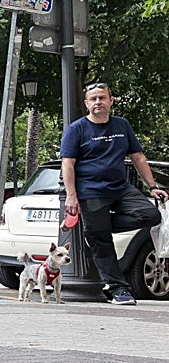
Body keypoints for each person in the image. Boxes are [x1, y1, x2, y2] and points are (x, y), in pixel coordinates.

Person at [61, 82, 168, 305]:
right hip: (91, 192)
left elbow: (137, 157)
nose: (98, 102)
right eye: (94, 99)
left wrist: (152, 186)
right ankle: (119, 289)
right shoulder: (77, 129)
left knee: (150, 215)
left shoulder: (122, 125)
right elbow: (68, 164)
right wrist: (71, 196)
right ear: (86, 103)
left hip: (121, 188)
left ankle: (96, 226)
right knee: (101, 241)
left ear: (111, 101)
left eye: (102, 97)